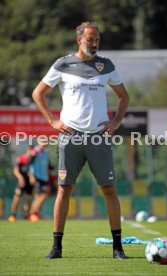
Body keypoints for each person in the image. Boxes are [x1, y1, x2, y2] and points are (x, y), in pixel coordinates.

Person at [32, 22, 129, 259]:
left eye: (97, 40)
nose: (94, 44)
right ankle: (57, 248)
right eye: (90, 40)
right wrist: (53, 122)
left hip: (99, 138)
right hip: (70, 137)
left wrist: (115, 122)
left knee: (109, 189)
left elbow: (123, 96)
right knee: (64, 190)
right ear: (79, 40)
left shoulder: (106, 65)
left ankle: (118, 248)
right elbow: (38, 93)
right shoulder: (63, 64)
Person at [8, 146, 35, 222]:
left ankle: (25, 216)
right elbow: (15, 170)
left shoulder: (33, 160)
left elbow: (32, 171)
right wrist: (20, 178)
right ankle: (13, 215)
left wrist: (32, 177)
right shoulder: (21, 158)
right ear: (28, 150)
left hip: (29, 183)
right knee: (17, 198)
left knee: (28, 199)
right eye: (31, 151)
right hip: (21, 182)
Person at [28, 139, 52, 221]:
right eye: (43, 141)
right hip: (37, 177)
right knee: (42, 195)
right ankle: (33, 213)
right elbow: (30, 164)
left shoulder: (46, 153)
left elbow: (49, 166)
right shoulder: (35, 151)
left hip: (44, 178)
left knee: (39, 196)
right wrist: (31, 176)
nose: (44, 142)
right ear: (39, 142)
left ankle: (36, 213)